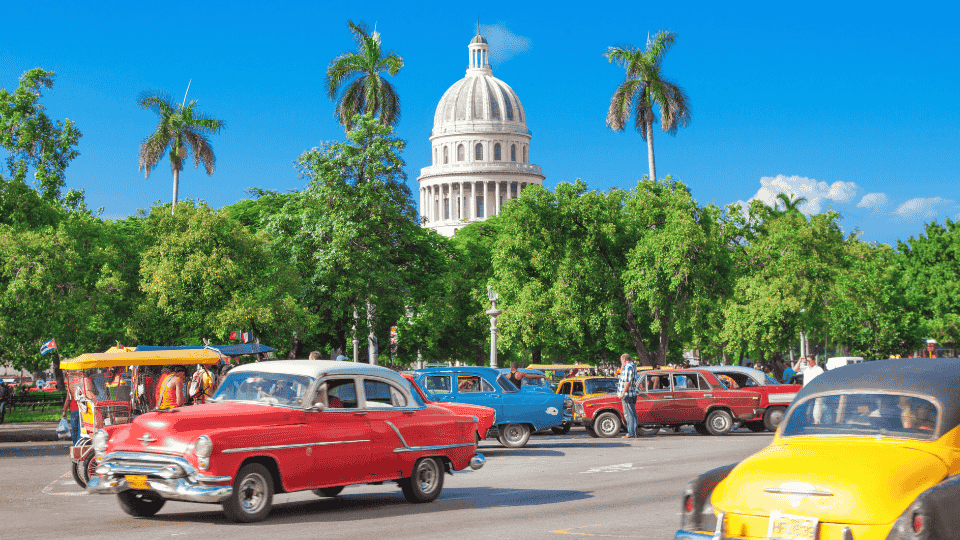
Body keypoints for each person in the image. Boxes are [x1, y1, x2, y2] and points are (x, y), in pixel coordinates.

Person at [617, 353, 638, 438]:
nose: (621, 362)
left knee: (629, 414)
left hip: (628, 394)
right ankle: (634, 432)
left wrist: (623, 393)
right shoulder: (632, 366)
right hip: (632, 393)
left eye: (621, 360)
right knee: (632, 414)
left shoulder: (628, 367)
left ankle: (631, 433)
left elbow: (627, 382)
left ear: (624, 359)